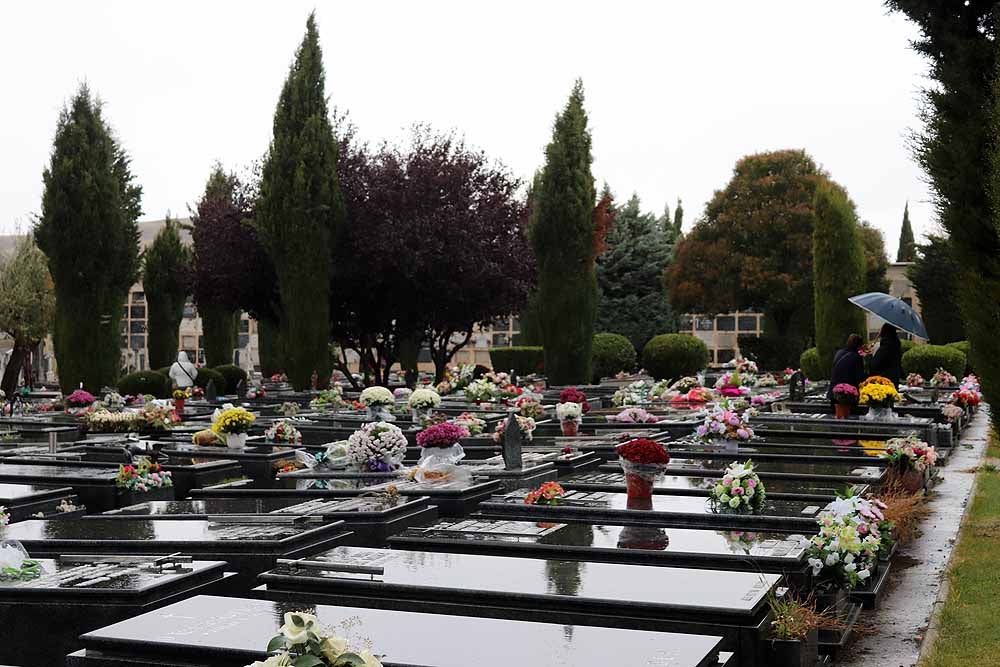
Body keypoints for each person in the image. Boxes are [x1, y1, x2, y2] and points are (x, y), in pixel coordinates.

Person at [827, 333, 866, 403]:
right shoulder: (856, 357)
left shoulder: (839, 352)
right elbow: (860, 378)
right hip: (847, 396)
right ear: (859, 346)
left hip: (833, 394)